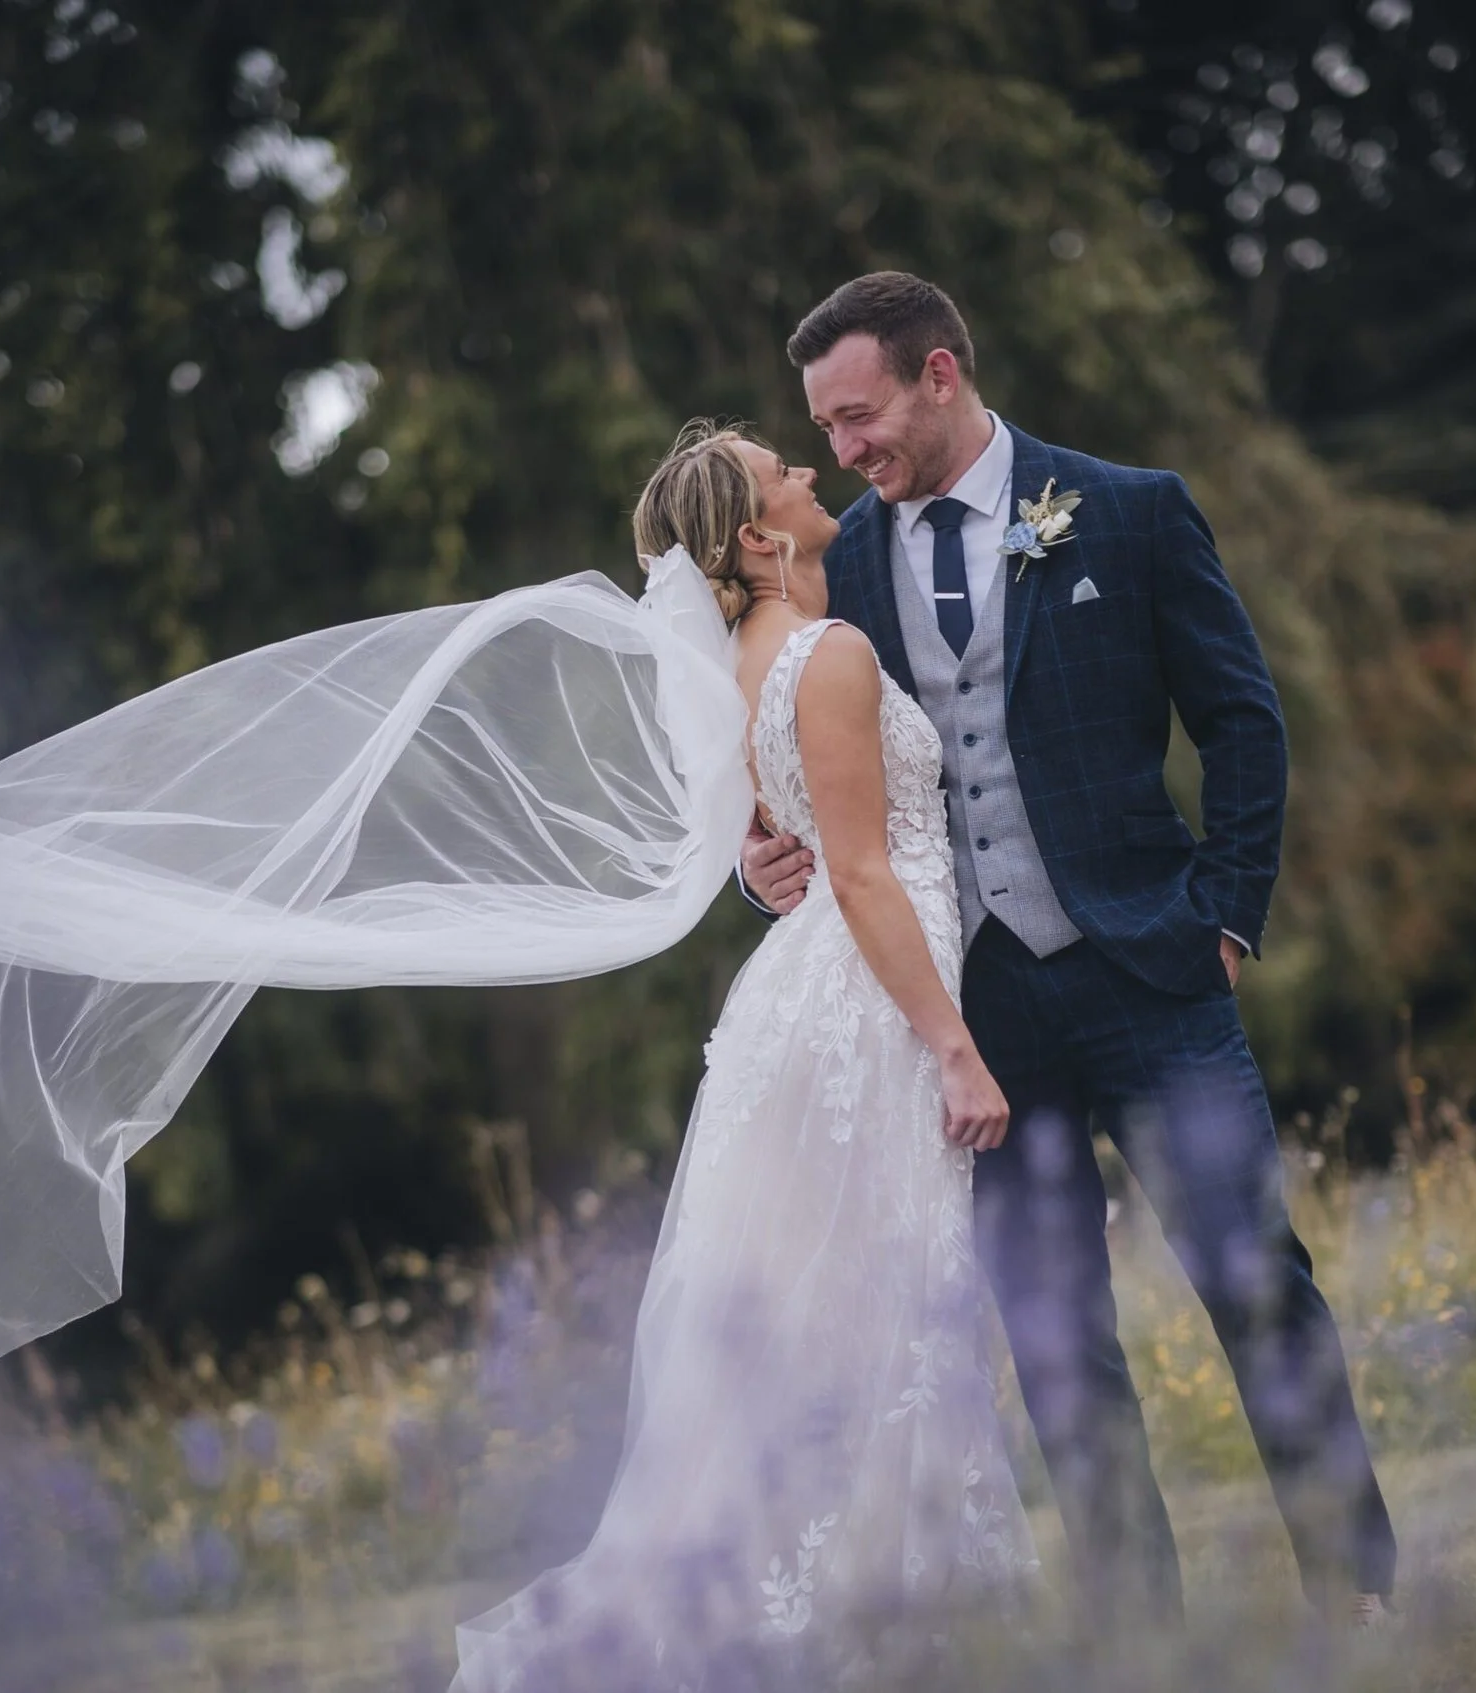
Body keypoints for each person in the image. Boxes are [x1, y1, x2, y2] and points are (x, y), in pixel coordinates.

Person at [741, 271, 1395, 1628]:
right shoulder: (839, 567)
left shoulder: (1133, 509)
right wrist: (768, 864)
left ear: (939, 374)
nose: (845, 452)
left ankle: (1360, 1596)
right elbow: (814, 783)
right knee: (1057, 1338)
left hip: (1155, 974)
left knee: (1255, 1276)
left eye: (858, 416)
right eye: (824, 427)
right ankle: (1139, 1632)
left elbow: (1244, 723)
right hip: (975, 1021)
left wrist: (1225, 913)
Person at [449, 423, 1039, 1689]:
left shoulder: (747, 656)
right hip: (864, 1011)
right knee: (872, 1308)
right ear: (759, 538)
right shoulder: (824, 656)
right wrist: (954, 1049)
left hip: (816, 997)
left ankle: (863, 1607)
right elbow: (868, 873)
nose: (812, 473)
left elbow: (786, 838)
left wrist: (759, 857)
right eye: (787, 472)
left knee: (838, 1311)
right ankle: (864, 1618)